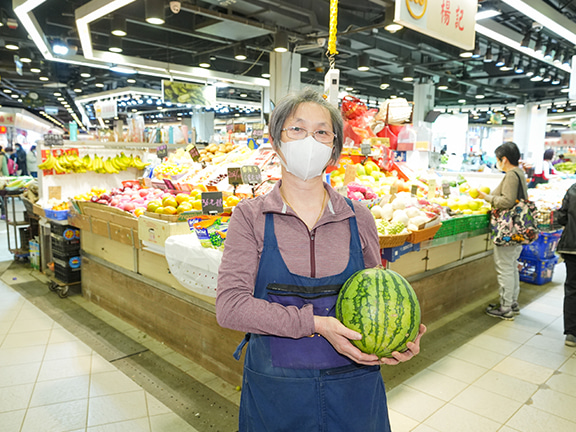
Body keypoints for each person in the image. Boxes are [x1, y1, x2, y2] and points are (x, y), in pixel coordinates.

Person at [216, 88, 426, 432]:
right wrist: (316, 324)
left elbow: (380, 296)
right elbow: (231, 307)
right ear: (275, 141)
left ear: (334, 147)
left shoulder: (360, 218)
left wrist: (399, 338)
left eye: (322, 132)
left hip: (355, 389)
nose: (309, 140)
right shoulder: (249, 216)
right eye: (297, 129)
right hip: (277, 394)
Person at [478, 142, 529, 320]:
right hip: (517, 229)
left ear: (504, 159)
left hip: (508, 229)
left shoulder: (511, 175)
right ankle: (512, 302)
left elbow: (506, 201)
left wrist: (486, 198)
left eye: (498, 159)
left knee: (505, 267)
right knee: (511, 266)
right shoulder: (520, 173)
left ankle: (506, 307)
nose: (498, 163)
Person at [553, 186, 576, 347]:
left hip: (572, 247)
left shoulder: (574, 189)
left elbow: (561, 217)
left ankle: (571, 334)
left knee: (572, 289)